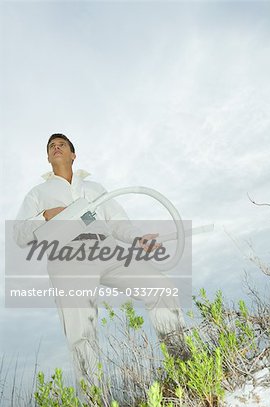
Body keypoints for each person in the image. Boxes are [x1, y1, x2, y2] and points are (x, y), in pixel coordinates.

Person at [13, 133, 185, 390]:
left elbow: (117, 222)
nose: (56, 147)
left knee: (160, 288)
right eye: (51, 146)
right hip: (66, 255)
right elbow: (19, 234)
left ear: (73, 154)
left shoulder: (94, 189)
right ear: (48, 158)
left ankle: (186, 368)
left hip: (107, 248)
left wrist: (137, 238)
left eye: (62, 145)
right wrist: (45, 217)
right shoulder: (38, 194)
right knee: (81, 329)